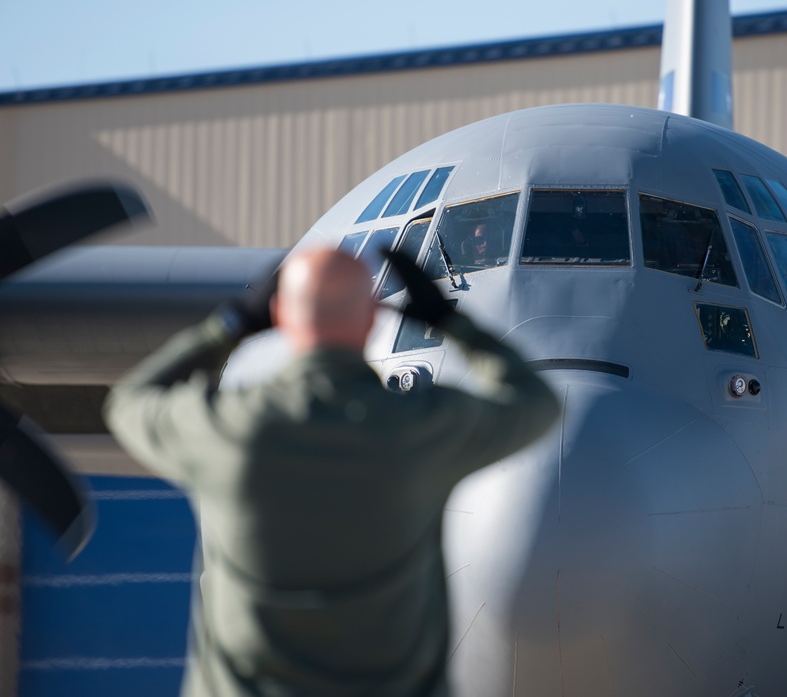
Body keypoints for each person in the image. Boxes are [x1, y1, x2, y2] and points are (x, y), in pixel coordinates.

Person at [103, 247, 560, 697]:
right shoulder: (417, 429)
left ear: (280, 315)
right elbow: (535, 402)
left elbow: (127, 402)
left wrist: (231, 324)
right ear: (370, 320)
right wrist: (446, 318)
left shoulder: (226, 430)